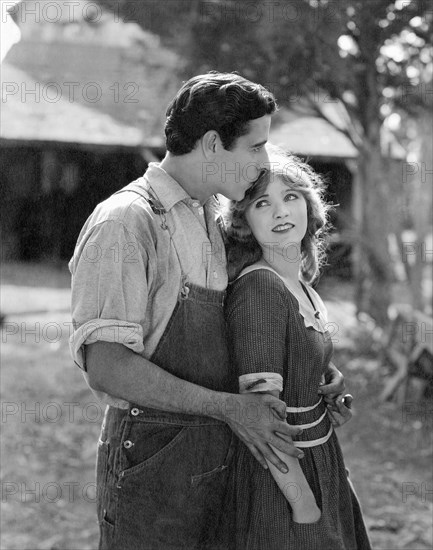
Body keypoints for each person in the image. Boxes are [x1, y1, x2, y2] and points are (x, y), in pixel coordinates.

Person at [69, 73, 346, 550]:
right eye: (256, 147)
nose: (263, 163)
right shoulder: (127, 222)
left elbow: (254, 320)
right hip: (152, 464)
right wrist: (226, 407)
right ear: (215, 144)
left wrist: (313, 368)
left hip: (220, 461)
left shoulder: (212, 214)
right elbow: (107, 366)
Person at [224, 150, 371, 549]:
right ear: (243, 222)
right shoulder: (260, 290)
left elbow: (299, 363)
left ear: (308, 203)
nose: (280, 212)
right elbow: (260, 417)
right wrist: (305, 508)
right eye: (262, 203)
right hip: (285, 484)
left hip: (323, 461)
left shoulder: (302, 285)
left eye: (290, 197)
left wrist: (323, 387)